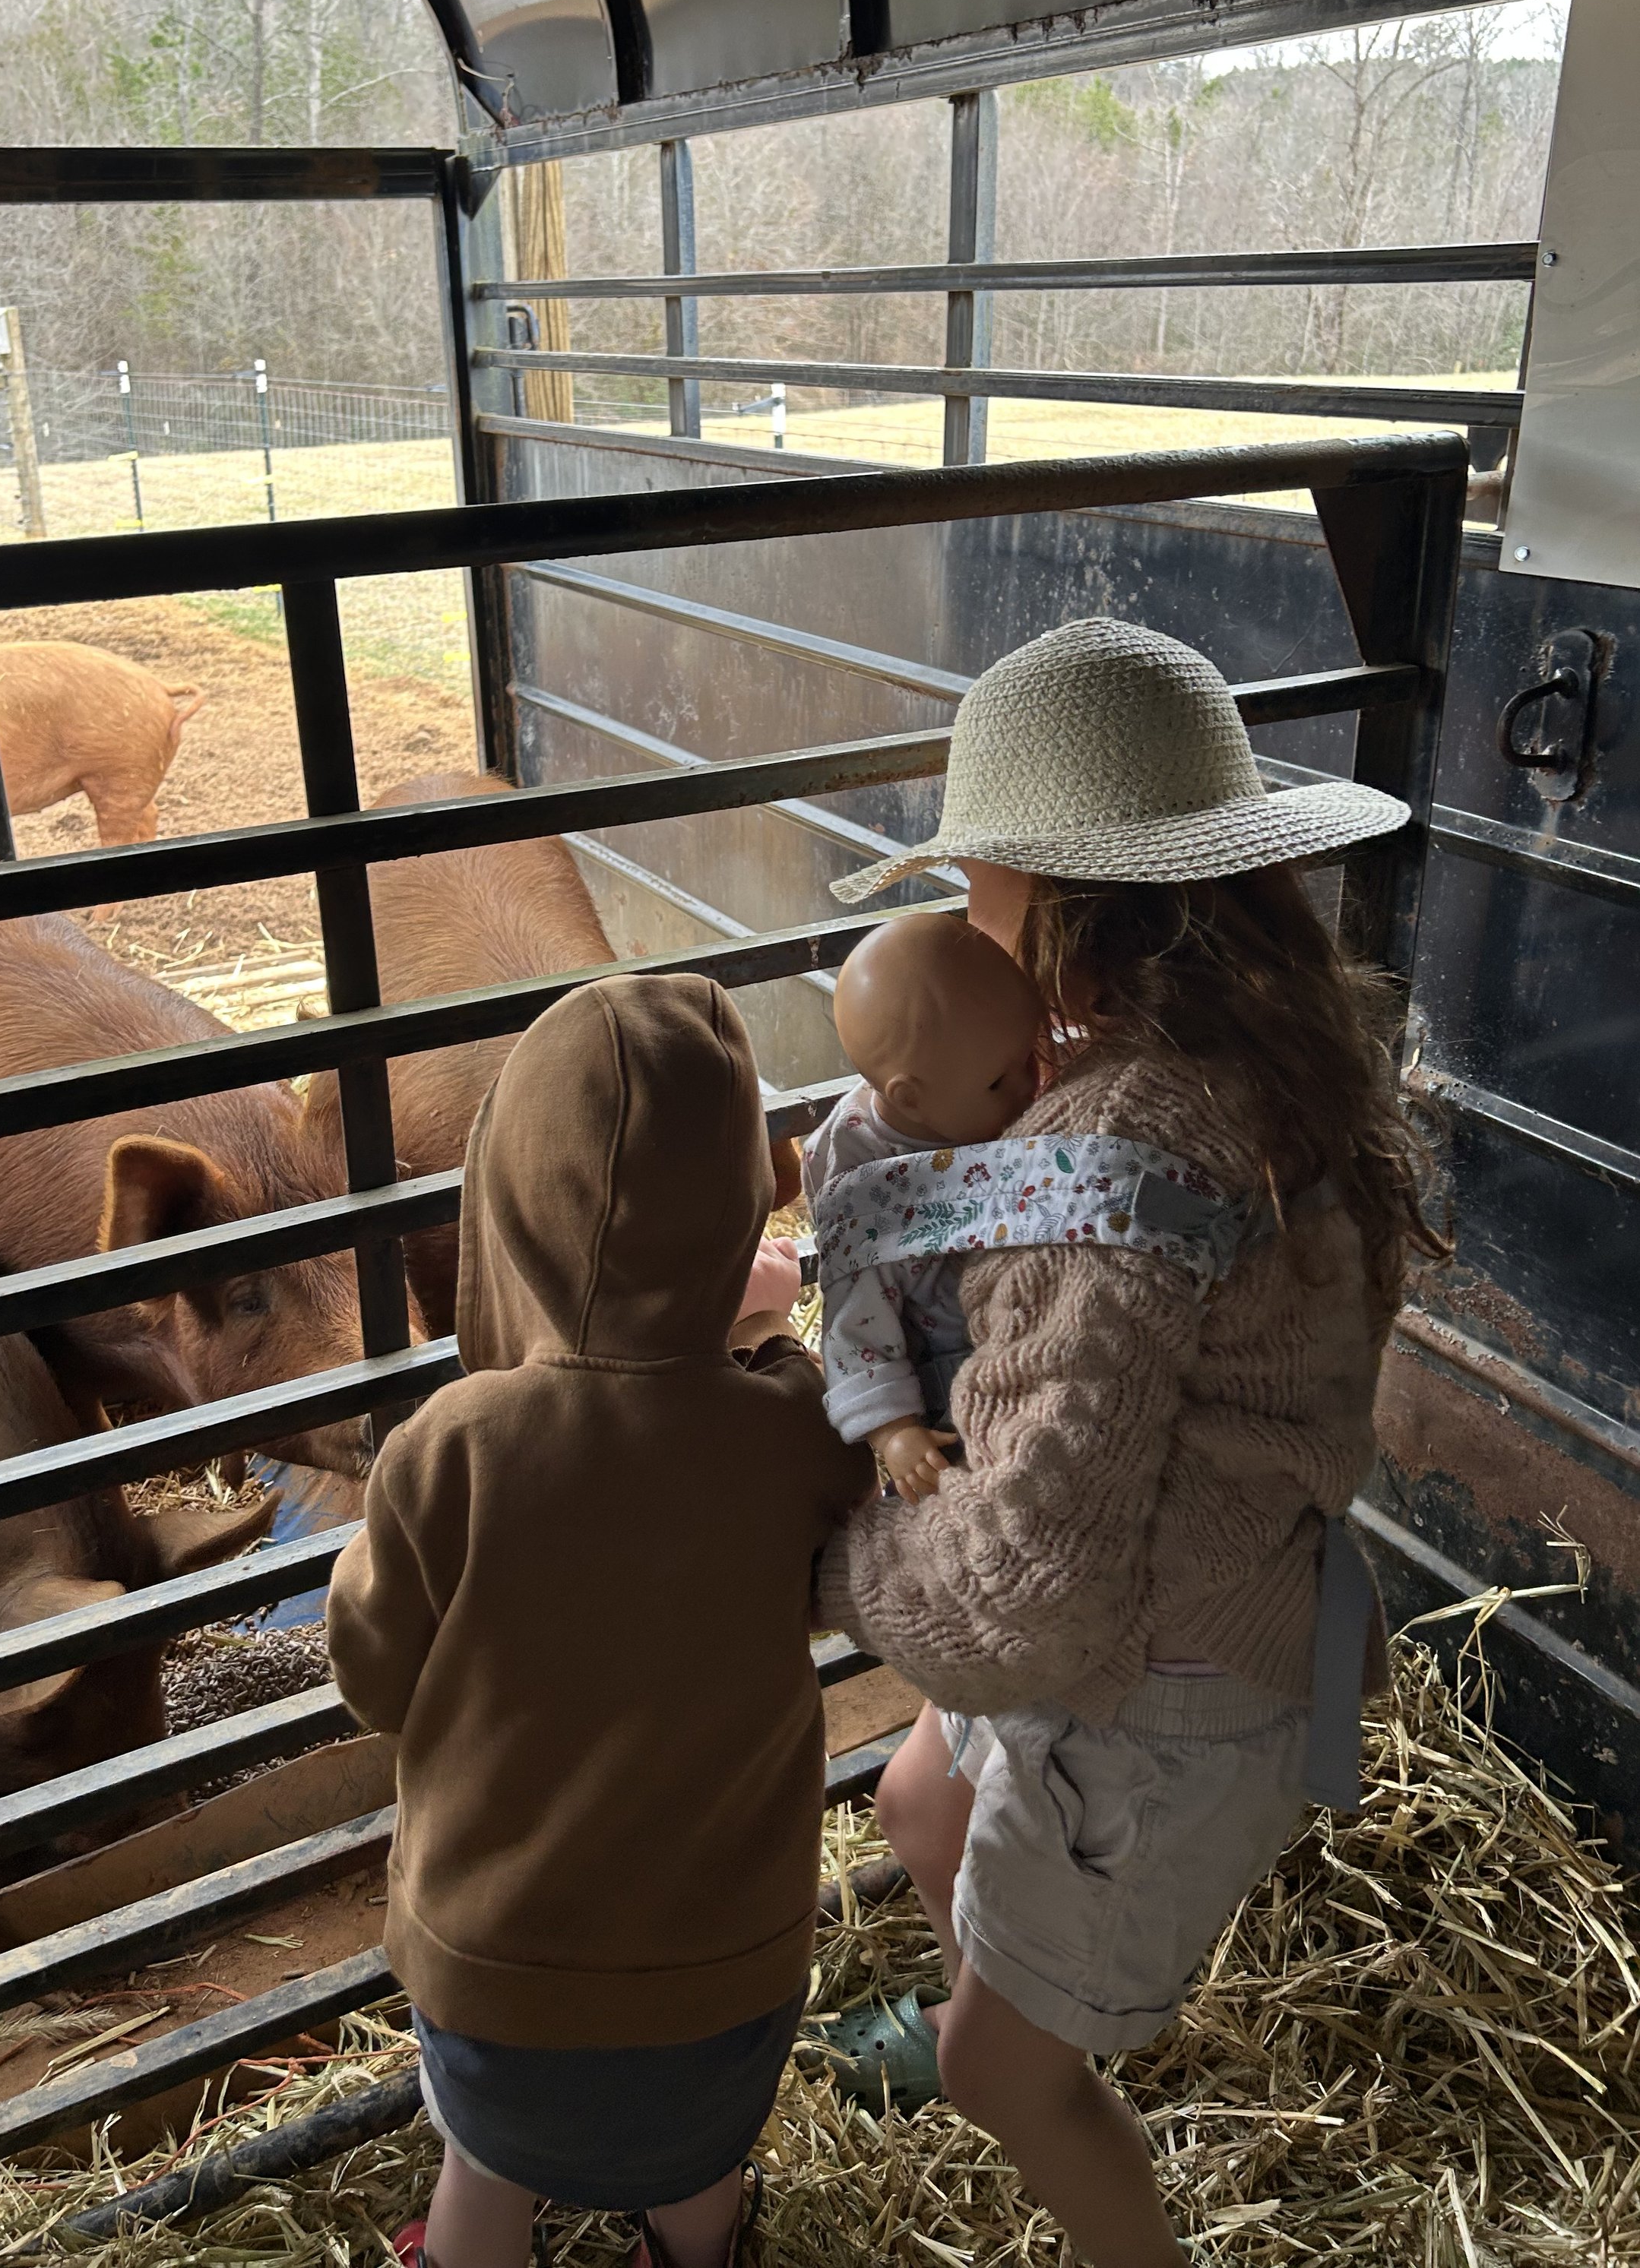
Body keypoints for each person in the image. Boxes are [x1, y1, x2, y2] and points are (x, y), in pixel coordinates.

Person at [814, 618, 1443, 2268]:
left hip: (1155, 1681)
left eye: (980, 893)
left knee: (1000, 2066)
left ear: (1061, 908)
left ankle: (1047, 2112)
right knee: (916, 1796)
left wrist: (837, 1546)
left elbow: (1023, 1588)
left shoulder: (1115, 1130)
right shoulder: (1276, 1062)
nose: (960, 924)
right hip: (1207, 1592)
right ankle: (998, 1961)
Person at [326, 973, 873, 2268]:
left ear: (509, 1198)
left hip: (495, 1974)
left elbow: (372, 1673)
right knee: (698, 2172)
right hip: (726, 1975)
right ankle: (694, 2245)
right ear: (749, 1202)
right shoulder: (792, 1429)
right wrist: (758, 1335)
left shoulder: (453, 1443)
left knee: (485, 2164)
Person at [803, 910, 1045, 1500]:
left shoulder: (968, 1087)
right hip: (950, 1384)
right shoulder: (865, 1189)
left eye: (1031, 1057)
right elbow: (853, 1323)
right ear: (911, 1097)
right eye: (998, 1082)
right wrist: (893, 1433)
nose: (1029, 1087)